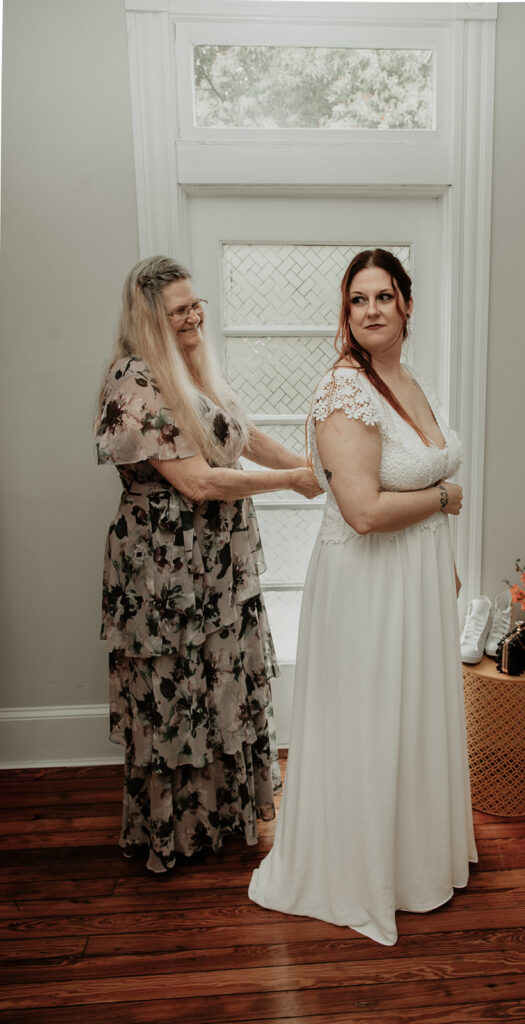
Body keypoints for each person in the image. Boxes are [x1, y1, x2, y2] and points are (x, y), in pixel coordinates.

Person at [249, 249, 477, 945]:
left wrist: (450, 567)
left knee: (409, 713)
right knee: (370, 716)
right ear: (346, 314)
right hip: (368, 584)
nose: (371, 309)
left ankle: (413, 860)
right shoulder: (343, 389)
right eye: (357, 300)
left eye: (383, 295)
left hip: (416, 577)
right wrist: (444, 498)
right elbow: (365, 511)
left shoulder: (406, 377)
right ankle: (359, 869)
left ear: (407, 304)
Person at [95, 255, 321, 873]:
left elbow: (241, 434)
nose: (194, 315)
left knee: (220, 682)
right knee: (175, 692)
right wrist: (290, 482)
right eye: (179, 310)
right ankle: (174, 830)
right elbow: (196, 483)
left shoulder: (190, 370)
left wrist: (311, 467)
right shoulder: (133, 383)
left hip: (216, 564)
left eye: (196, 304)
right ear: (148, 321)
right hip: (163, 571)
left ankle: (223, 816)